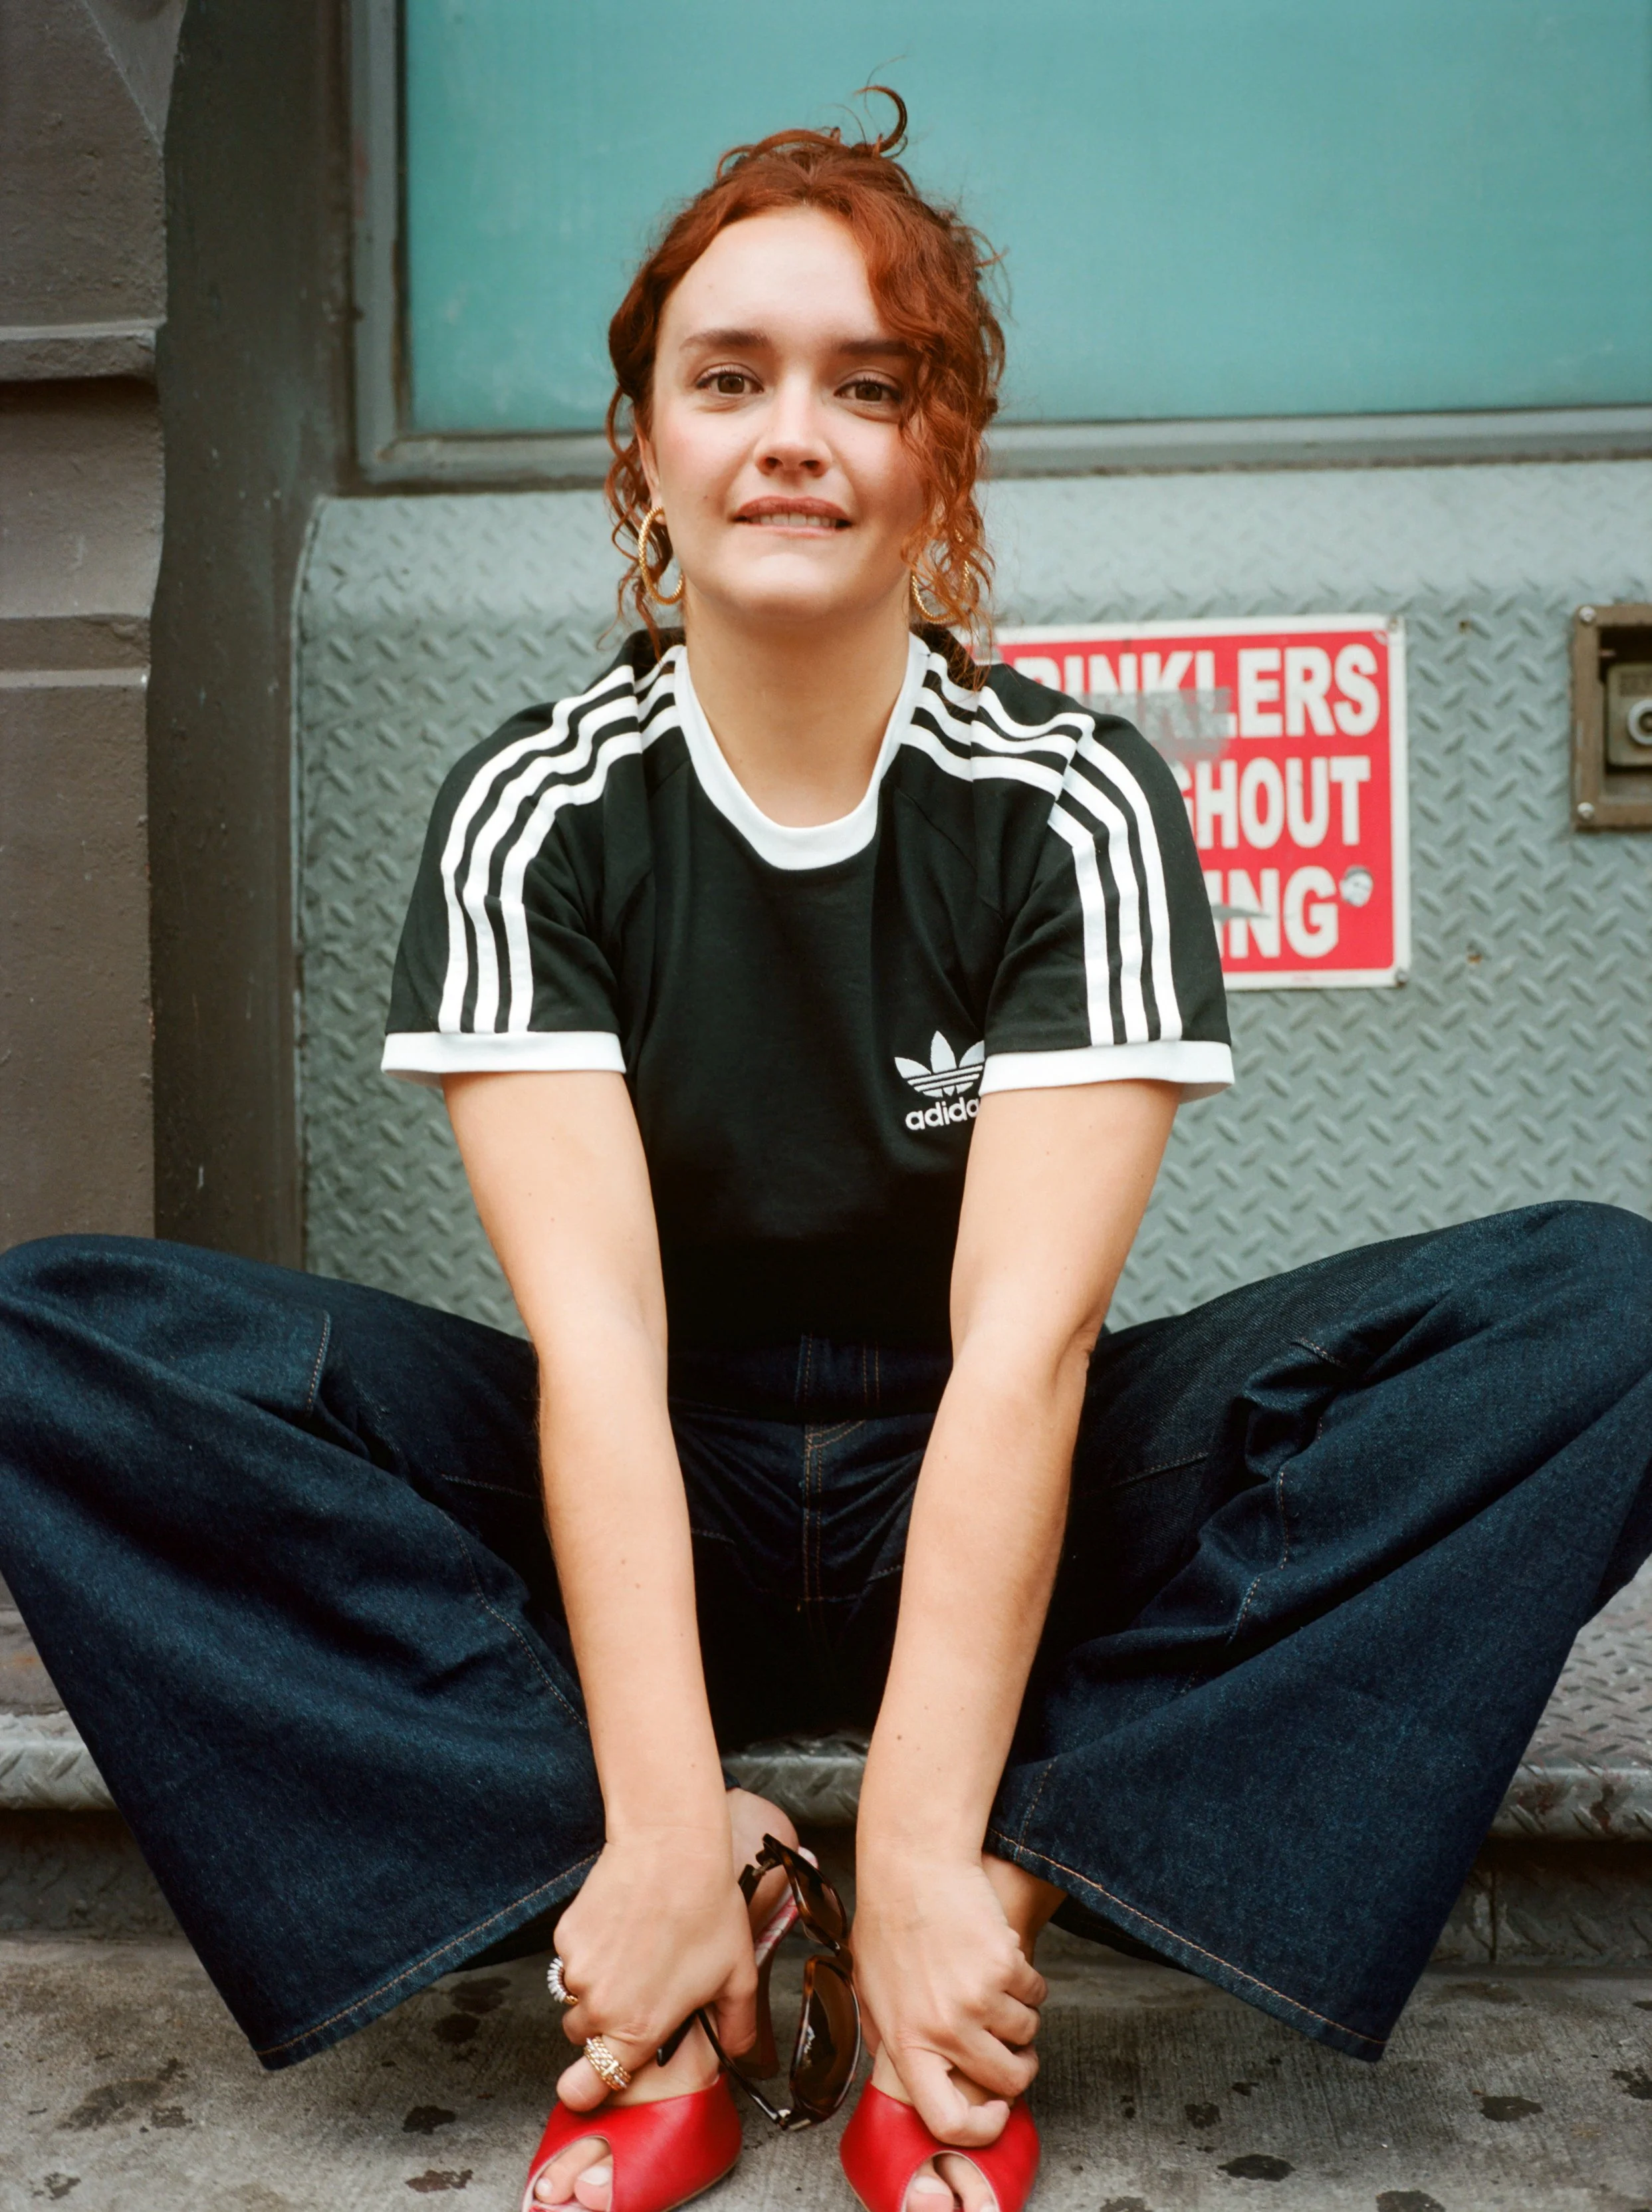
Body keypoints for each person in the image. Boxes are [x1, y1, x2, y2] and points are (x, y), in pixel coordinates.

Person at [2, 96, 1651, 2212]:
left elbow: (1024, 1362)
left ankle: (984, 1919)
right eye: (731, 377)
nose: (795, 432)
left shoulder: (1072, 802)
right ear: (647, 448)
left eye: (867, 386)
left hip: (988, 1481)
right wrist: (670, 1813)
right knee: (57, 1340)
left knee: (1601, 1312)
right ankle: (669, 1900)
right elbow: (591, 1359)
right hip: (642, 1484)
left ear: (937, 454)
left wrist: (946, 1850)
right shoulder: (537, 808)